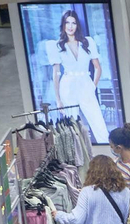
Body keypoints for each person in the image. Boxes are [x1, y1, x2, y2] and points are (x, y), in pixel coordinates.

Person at [49, 9, 110, 142]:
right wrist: (58, 99)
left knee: (98, 122)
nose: (70, 26)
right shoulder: (57, 45)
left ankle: (108, 152)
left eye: (73, 23)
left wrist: (92, 86)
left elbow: (98, 67)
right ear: (63, 25)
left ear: (77, 25)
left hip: (85, 83)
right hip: (67, 86)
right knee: (72, 126)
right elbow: (56, 74)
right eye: (67, 23)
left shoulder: (87, 42)